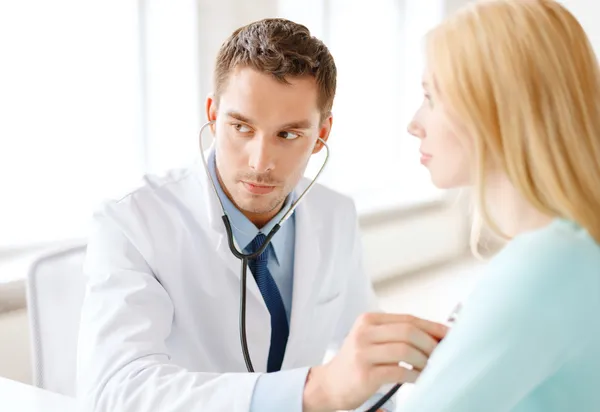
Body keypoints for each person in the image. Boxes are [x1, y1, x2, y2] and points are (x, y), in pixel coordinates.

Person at [76, 18, 448, 412]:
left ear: (322, 134)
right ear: (213, 115)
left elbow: (365, 366)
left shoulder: (336, 214)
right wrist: (313, 392)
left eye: (288, 135)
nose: (260, 162)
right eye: (241, 127)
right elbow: (117, 391)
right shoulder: (131, 222)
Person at [402, 0, 600, 410]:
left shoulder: (546, 265)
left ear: (494, 108)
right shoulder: (576, 243)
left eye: (430, 97)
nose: (414, 123)